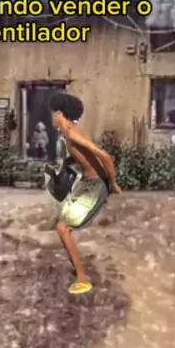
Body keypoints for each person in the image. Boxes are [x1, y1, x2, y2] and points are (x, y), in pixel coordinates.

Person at [48, 92, 122, 295]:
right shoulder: (69, 133)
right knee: (59, 221)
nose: (52, 117)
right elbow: (83, 156)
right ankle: (76, 266)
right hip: (86, 183)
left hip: (95, 186)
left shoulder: (72, 134)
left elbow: (105, 157)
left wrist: (113, 184)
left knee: (63, 228)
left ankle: (82, 278)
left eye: (53, 113)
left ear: (59, 113)